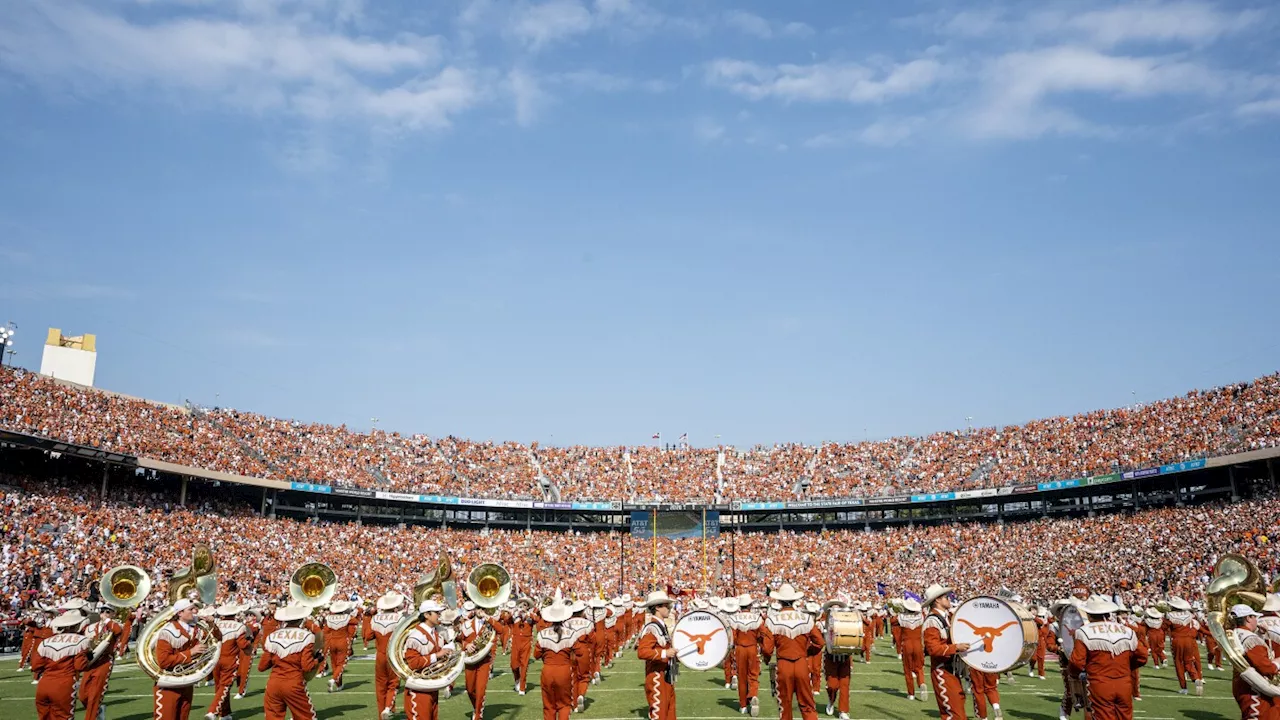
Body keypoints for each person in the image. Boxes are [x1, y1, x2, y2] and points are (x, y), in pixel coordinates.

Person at [1068, 597, 1147, 720]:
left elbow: (1076, 663)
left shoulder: (1083, 632)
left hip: (1099, 683)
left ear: (1089, 615)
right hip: (1125, 683)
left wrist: (1074, 675)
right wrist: (1125, 668)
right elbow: (1142, 656)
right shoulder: (1127, 630)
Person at [762, 583, 825, 720]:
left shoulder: (772, 620)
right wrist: (806, 652)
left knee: (785, 706)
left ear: (778, 601)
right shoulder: (806, 618)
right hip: (802, 663)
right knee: (808, 704)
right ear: (794, 600)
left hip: (783, 665)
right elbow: (820, 642)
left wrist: (766, 660)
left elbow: (767, 649)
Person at [258, 603, 321, 720]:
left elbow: (261, 667)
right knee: (306, 716)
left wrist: (277, 657)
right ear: (301, 619)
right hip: (294, 683)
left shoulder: (272, 636)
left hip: (273, 684)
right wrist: (317, 660)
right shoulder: (307, 636)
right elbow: (307, 667)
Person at [154, 599, 212, 720]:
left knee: (183, 716)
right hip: (169, 683)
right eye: (190, 609)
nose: (194, 612)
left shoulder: (195, 630)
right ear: (180, 613)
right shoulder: (168, 631)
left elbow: (217, 639)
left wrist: (212, 625)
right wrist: (190, 653)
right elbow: (163, 661)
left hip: (186, 682)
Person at [922, 584, 972, 720]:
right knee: (954, 714)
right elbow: (933, 649)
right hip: (942, 670)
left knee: (959, 708)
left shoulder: (947, 617)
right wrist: (956, 647)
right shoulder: (932, 621)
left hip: (951, 670)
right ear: (937, 600)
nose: (949, 599)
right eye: (946, 597)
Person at [32, 611, 92, 720]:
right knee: (64, 717)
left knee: (44, 717)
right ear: (77, 625)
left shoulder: (46, 641)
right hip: (64, 684)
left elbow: (36, 666)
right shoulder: (81, 640)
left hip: (44, 684)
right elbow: (80, 666)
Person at [403, 599, 454, 720]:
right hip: (418, 688)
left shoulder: (436, 632)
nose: (439, 615)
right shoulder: (416, 636)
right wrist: (437, 655)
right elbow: (413, 663)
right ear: (426, 615)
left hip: (431, 686)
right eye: (436, 612)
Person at [1227, 604, 1279, 720]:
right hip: (1255, 690)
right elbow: (1265, 668)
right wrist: (1277, 663)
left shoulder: (1235, 633)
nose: (1257, 620)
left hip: (1243, 684)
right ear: (1248, 618)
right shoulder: (1251, 639)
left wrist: (1261, 634)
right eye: (1254, 617)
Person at [80, 603, 126, 720]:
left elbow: (117, 631)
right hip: (91, 661)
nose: (104, 613)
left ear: (113, 613)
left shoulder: (115, 624)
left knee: (95, 695)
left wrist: (107, 621)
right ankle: (99, 710)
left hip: (105, 661)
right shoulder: (92, 626)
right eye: (102, 611)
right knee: (82, 694)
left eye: (107, 611)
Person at [367, 591, 408, 719]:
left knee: (380, 685)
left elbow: (368, 636)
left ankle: (382, 712)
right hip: (393, 655)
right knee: (393, 683)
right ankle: (388, 707)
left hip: (379, 655)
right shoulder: (400, 618)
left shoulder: (375, 618)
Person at [637, 590, 677, 720]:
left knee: (670, 713)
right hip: (656, 676)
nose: (669, 609)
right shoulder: (652, 627)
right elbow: (642, 652)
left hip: (666, 674)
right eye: (667, 606)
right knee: (660, 714)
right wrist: (665, 653)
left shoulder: (661, 625)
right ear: (658, 608)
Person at [207, 602, 251, 720]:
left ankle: (225, 713)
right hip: (230, 659)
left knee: (218, 686)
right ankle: (213, 711)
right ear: (234, 613)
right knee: (225, 686)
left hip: (215, 659)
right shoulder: (239, 626)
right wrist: (249, 641)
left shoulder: (216, 624)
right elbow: (242, 645)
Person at [726, 595, 768, 716]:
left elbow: (732, 637)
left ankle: (743, 705)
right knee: (753, 675)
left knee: (742, 677)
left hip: (740, 649)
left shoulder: (734, 618)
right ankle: (753, 694)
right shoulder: (757, 618)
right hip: (752, 648)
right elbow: (762, 634)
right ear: (750, 606)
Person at [536, 598, 577, 720]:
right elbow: (577, 653)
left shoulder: (542, 633)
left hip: (547, 671)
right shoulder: (571, 633)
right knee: (564, 705)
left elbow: (536, 655)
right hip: (564, 671)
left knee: (549, 706)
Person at [459, 603, 495, 720]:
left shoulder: (489, 623)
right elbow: (459, 641)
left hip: (484, 660)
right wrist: (466, 645)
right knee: (470, 689)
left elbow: (501, 629)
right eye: (479, 608)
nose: (480, 610)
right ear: (474, 609)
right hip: (470, 660)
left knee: (480, 690)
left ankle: (478, 715)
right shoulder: (466, 624)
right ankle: (477, 707)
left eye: (483, 608)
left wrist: (487, 616)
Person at [1164, 597, 1203, 695]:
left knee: (1179, 663)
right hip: (1188, 640)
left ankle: (1184, 688)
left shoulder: (1170, 616)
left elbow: (1164, 626)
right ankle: (1196, 678)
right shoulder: (1189, 615)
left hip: (1177, 640)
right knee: (1188, 662)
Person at [820, 600, 852, 720]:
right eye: (833, 609)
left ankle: (843, 711)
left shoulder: (847, 623)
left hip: (844, 656)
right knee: (832, 685)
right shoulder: (824, 623)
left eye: (838, 609)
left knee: (845, 685)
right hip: (830, 657)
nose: (835, 611)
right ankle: (831, 700)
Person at [323, 600, 358, 693]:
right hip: (343, 641)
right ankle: (333, 680)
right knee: (341, 663)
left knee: (334, 664)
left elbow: (325, 631)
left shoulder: (329, 618)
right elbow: (355, 622)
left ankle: (339, 685)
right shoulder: (348, 617)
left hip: (332, 641)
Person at [897, 598, 926, 702]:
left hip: (907, 645)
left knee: (908, 670)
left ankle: (911, 694)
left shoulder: (901, 617)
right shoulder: (921, 616)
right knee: (919, 667)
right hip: (918, 644)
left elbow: (894, 621)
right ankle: (921, 682)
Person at [511, 605, 536, 695]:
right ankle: (517, 679)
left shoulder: (530, 616)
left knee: (524, 665)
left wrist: (528, 614)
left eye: (525, 605)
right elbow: (506, 620)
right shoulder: (515, 615)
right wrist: (514, 611)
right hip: (515, 642)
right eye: (521, 605)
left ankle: (522, 687)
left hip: (526, 642)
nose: (523, 607)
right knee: (514, 665)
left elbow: (537, 619)